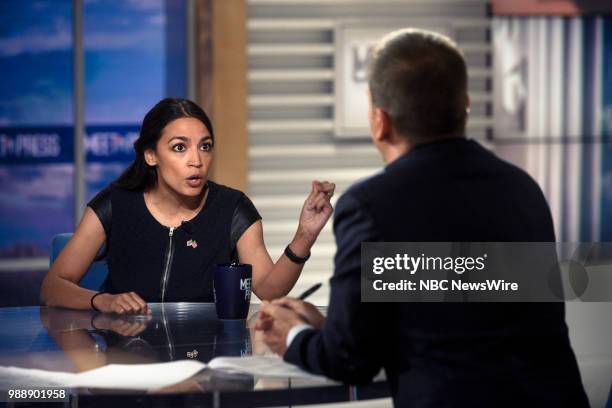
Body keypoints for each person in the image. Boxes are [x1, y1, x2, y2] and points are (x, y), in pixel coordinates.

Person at [255, 29, 588, 407]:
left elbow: (352, 361)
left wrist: (294, 337)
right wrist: (331, 329)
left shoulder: (371, 205)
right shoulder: (522, 188)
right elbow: (464, 320)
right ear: (465, 105)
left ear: (380, 121)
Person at [41, 98, 335, 314]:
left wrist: (304, 236)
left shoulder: (233, 208)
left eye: (205, 146)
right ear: (151, 155)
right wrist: (102, 300)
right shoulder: (115, 204)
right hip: (126, 359)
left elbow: (269, 290)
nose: (196, 160)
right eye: (179, 148)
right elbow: (53, 287)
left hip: (204, 359)